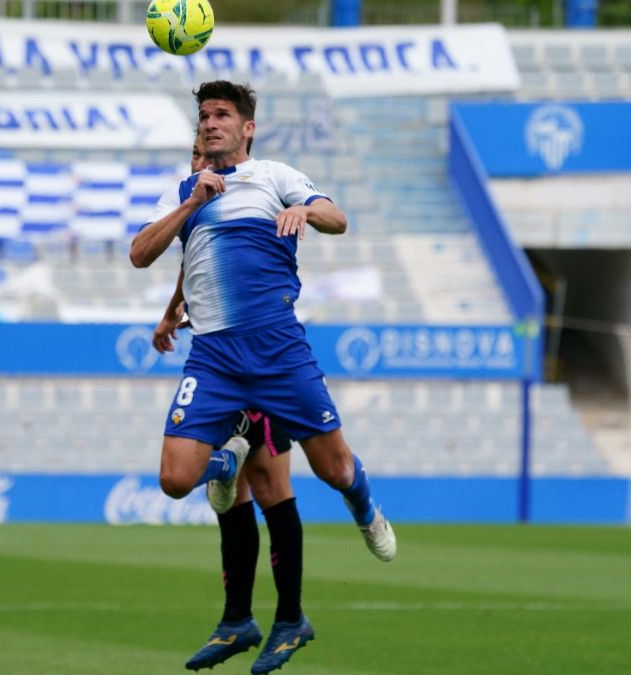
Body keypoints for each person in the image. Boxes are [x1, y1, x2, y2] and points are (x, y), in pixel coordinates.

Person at [130, 79, 396, 672]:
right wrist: (191, 209)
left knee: (331, 469)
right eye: (203, 116)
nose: (209, 123)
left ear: (247, 127)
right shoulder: (185, 192)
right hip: (215, 358)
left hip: (277, 351)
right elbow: (145, 252)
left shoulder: (274, 176)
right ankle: (244, 608)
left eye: (221, 114)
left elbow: (338, 216)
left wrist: (305, 208)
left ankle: (364, 506)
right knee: (177, 480)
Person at [152, 135, 307, 672]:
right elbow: (189, 267)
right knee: (229, 495)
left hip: (264, 357)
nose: (200, 162)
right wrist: (172, 311)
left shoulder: (257, 192)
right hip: (218, 364)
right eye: (194, 156)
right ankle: (237, 619)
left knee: (271, 489)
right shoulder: (195, 209)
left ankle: (289, 619)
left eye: (206, 153)